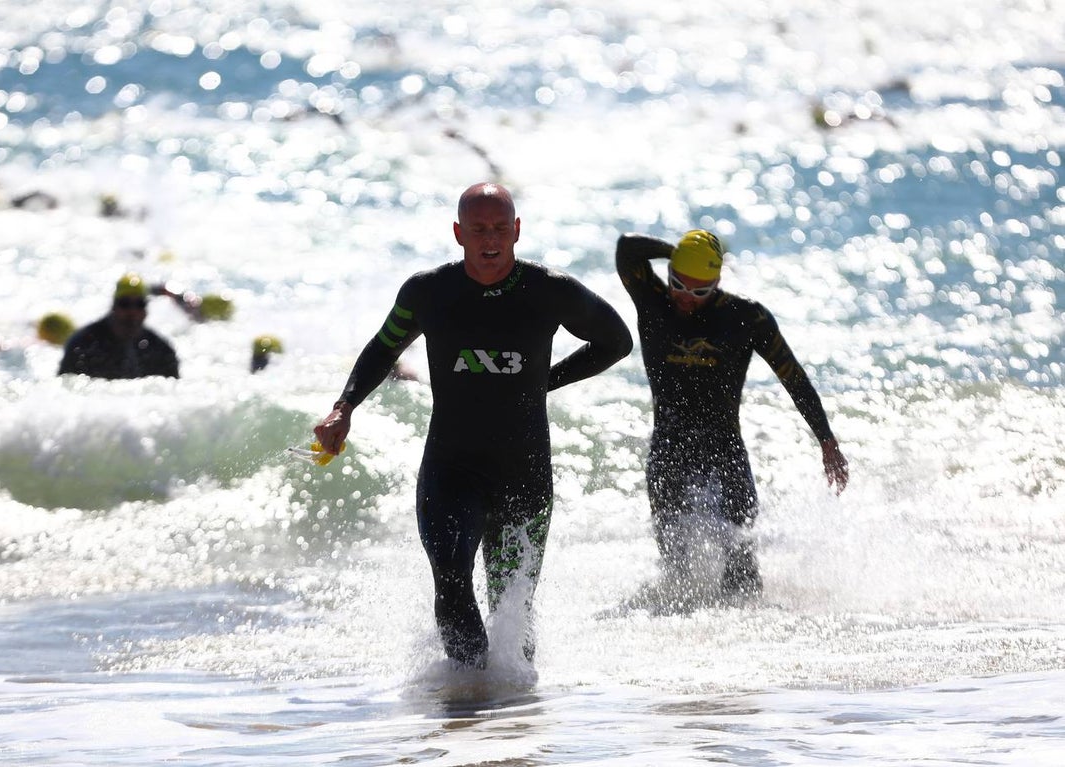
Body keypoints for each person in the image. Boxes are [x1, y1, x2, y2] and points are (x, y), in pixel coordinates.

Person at [314, 183, 632, 668]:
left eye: (501, 229)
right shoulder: (429, 292)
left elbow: (616, 341)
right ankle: (467, 705)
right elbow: (384, 347)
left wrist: (545, 382)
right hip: (451, 467)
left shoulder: (549, 290)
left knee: (513, 609)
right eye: (479, 230)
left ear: (517, 231)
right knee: (451, 577)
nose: (491, 240)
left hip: (522, 472)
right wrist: (345, 406)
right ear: (459, 233)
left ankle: (512, 721)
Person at [615, 230, 848, 599]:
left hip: (725, 450)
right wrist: (678, 251)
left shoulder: (746, 318)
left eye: (699, 291)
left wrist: (826, 440)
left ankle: (743, 641)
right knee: (675, 572)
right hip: (668, 449)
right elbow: (627, 248)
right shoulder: (653, 300)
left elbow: (794, 378)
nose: (686, 298)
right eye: (678, 284)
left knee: (742, 568)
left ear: (717, 282)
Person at [58, 273, 180, 379]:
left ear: (146, 311)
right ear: (114, 307)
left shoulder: (161, 351)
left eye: (139, 304)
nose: (132, 312)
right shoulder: (83, 345)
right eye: (125, 304)